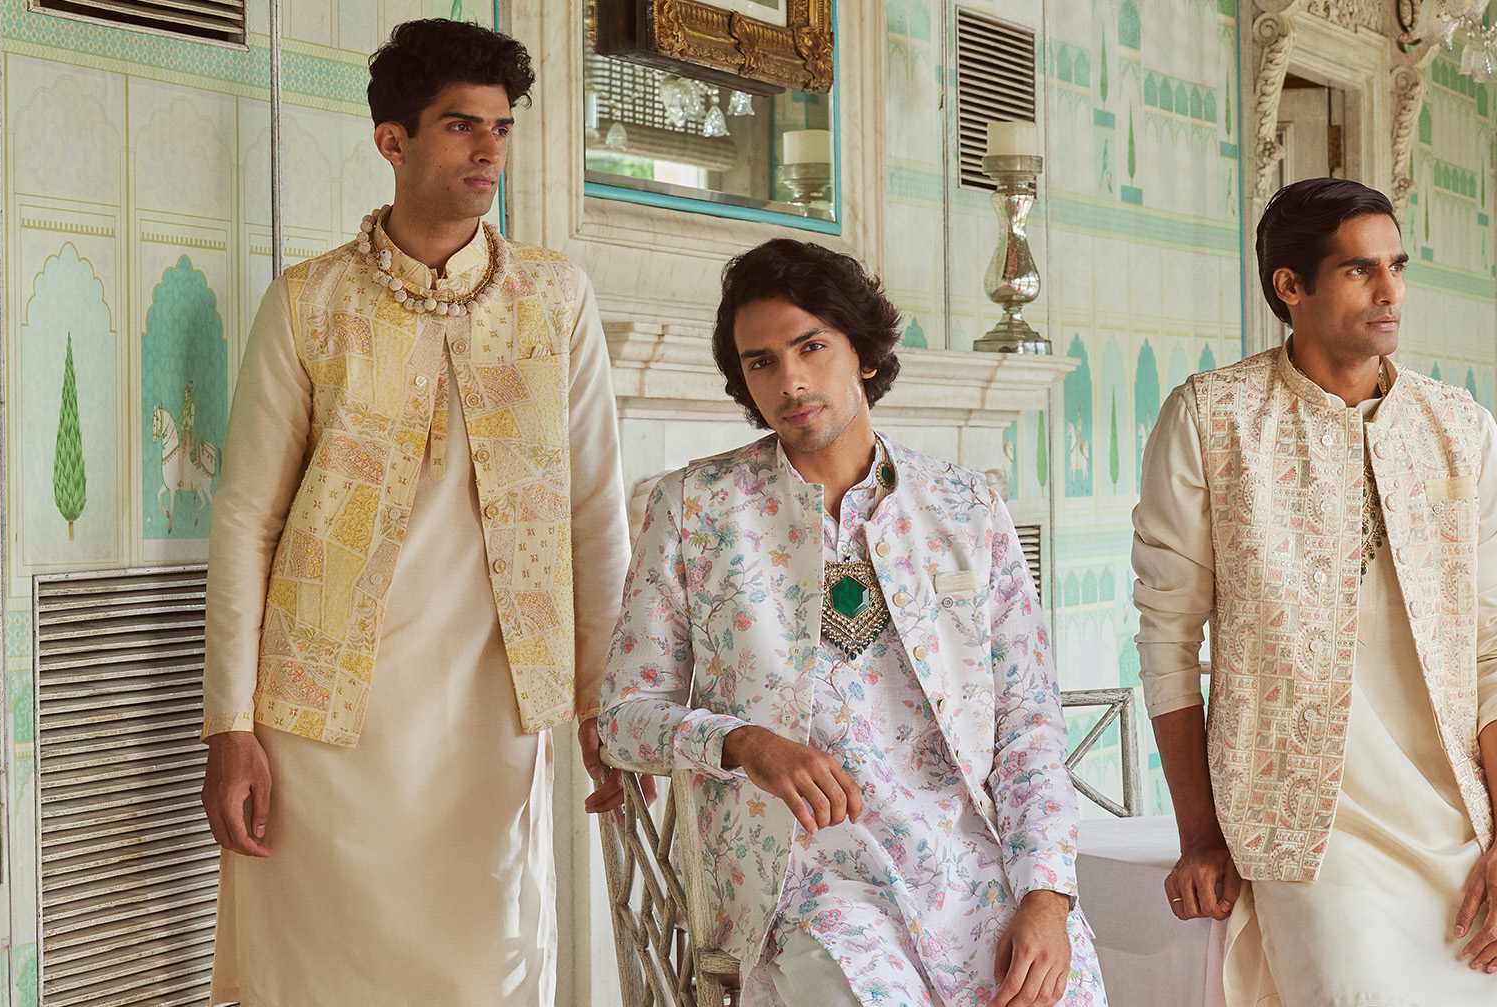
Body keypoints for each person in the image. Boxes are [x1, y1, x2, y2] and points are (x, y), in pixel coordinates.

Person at [198, 19, 631, 1005]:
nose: (489, 151)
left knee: (484, 968)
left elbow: (594, 512)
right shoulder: (308, 302)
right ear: (392, 140)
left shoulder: (554, 300)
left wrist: (605, 702)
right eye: (460, 125)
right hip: (323, 718)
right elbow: (246, 519)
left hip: (490, 717)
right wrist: (230, 724)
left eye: (501, 127)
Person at [600, 238, 1102, 1007]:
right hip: (803, 879)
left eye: (812, 346)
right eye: (762, 361)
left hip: (971, 871)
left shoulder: (967, 508)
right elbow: (623, 718)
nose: (791, 380)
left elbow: (1028, 723)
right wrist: (742, 741)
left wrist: (1047, 895)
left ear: (862, 353)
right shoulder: (696, 508)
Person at [1131, 177, 1497, 1007]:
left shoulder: (1460, 428)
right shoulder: (1212, 420)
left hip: (1461, 822)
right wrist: (1200, 833)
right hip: (1305, 833)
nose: (1391, 291)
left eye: (1398, 266)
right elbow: (1167, 642)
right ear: (1291, 285)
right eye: (1360, 270)